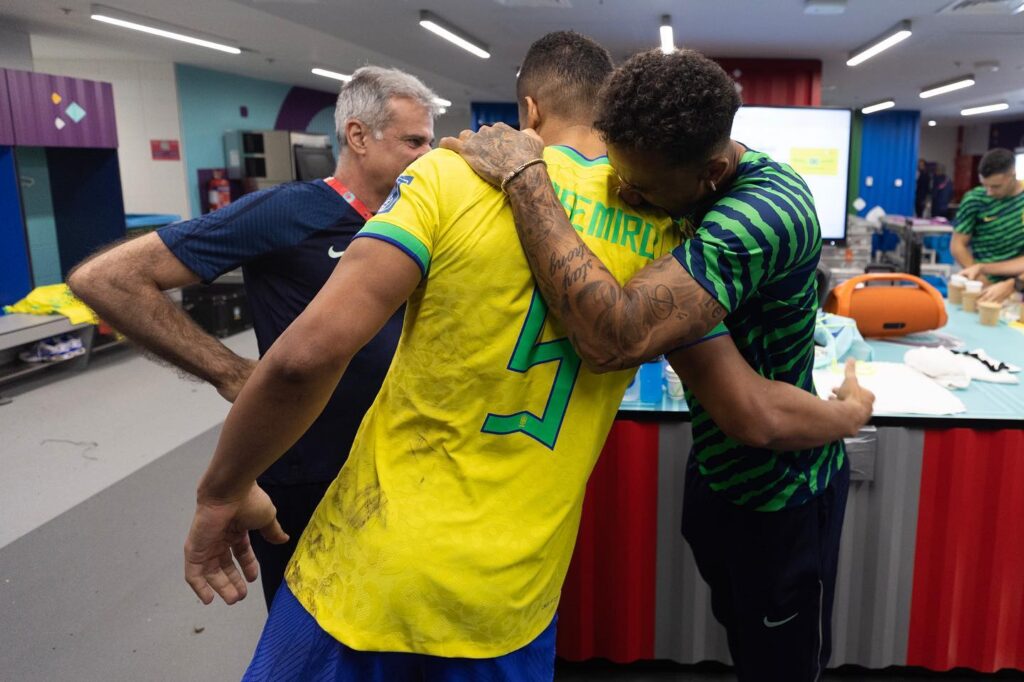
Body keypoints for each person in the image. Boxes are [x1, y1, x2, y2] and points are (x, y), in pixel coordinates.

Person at [179, 33, 872, 681]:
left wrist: (222, 489)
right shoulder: (667, 232)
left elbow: (304, 357)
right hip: (507, 598)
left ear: (530, 110)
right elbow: (738, 398)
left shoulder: (453, 174)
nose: (629, 191)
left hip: (364, 564)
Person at [445, 47, 858, 681]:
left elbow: (623, 342)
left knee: (780, 667)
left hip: (783, 489)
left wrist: (526, 176)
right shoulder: (681, 188)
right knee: (742, 638)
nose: (624, 193)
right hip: (716, 470)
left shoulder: (763, 211)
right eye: (619, 173)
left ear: (712, 173)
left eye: (642, 188)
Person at [67, 66, 440, 606]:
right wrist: (228, 371)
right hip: (309, 475)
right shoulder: (290, 210)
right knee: (311, 629)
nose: (428, 155)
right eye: (414, 141)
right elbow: (107, 279)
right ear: (359, 136)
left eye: (429, 141)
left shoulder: (417, 221)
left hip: (400, 466)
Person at [951, 148, 1024, 273]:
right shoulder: (974, 199)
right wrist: (977, 273)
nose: (989, 192)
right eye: (984, 185)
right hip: (982, 277)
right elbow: (957, 245)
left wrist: (1014, 283)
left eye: (996, 186)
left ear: (1013, 175)